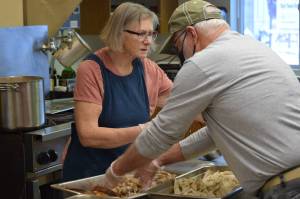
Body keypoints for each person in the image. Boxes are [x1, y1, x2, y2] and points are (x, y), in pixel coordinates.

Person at [103, 0, 300, 198]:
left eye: (179, 45)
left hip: (289, 187)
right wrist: (158, 160)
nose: (183, 56)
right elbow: (215, 133)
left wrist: (116, 171)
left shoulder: (203, 62)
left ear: (191, 34)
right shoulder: (253, 47)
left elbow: (162, 133)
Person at [62, 2, 173, 181]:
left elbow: (182, 103)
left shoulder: (148, 69)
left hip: (127, 175)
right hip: (92, 177)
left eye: (151, 33)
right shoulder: (91, 69)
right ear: (119, 32)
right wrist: (145, 130)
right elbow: (88, 135)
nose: (148, 41)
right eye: (141, 34)